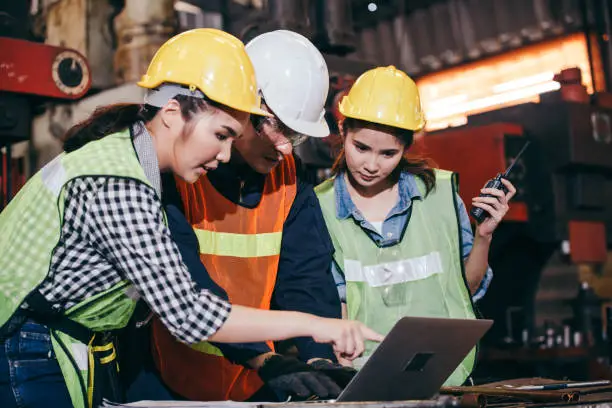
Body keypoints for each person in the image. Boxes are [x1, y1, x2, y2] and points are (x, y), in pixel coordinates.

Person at [0, 28, 382, 408]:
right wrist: (315, 326)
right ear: (171, 112)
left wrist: (315, 351)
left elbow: (304, 275)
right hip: (32, 345)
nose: (224, 154)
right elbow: (190, 313)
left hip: (55, 345)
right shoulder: (119, 182)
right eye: (220, 134)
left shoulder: (128, 161)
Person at [150, 30, 357, 402]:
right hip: (171, 375)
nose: (284, 148)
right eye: (279, 128)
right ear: (242, 106)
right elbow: (188, 285)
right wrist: (262, 358)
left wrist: (318, 360)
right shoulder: (180, 174)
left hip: (253, 378)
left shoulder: (290, 178)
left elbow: (305, 276)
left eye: (295, 137)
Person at [315, 66, 516, 386]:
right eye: (361, 147)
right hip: (362, 380)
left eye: (388, 153)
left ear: (407, 147)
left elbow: (468, 288)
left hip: (443, 376)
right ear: (343, 131)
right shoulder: (319, 208)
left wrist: (483, 236)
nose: (371, 164)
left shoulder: (439, 196)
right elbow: (329, 302)